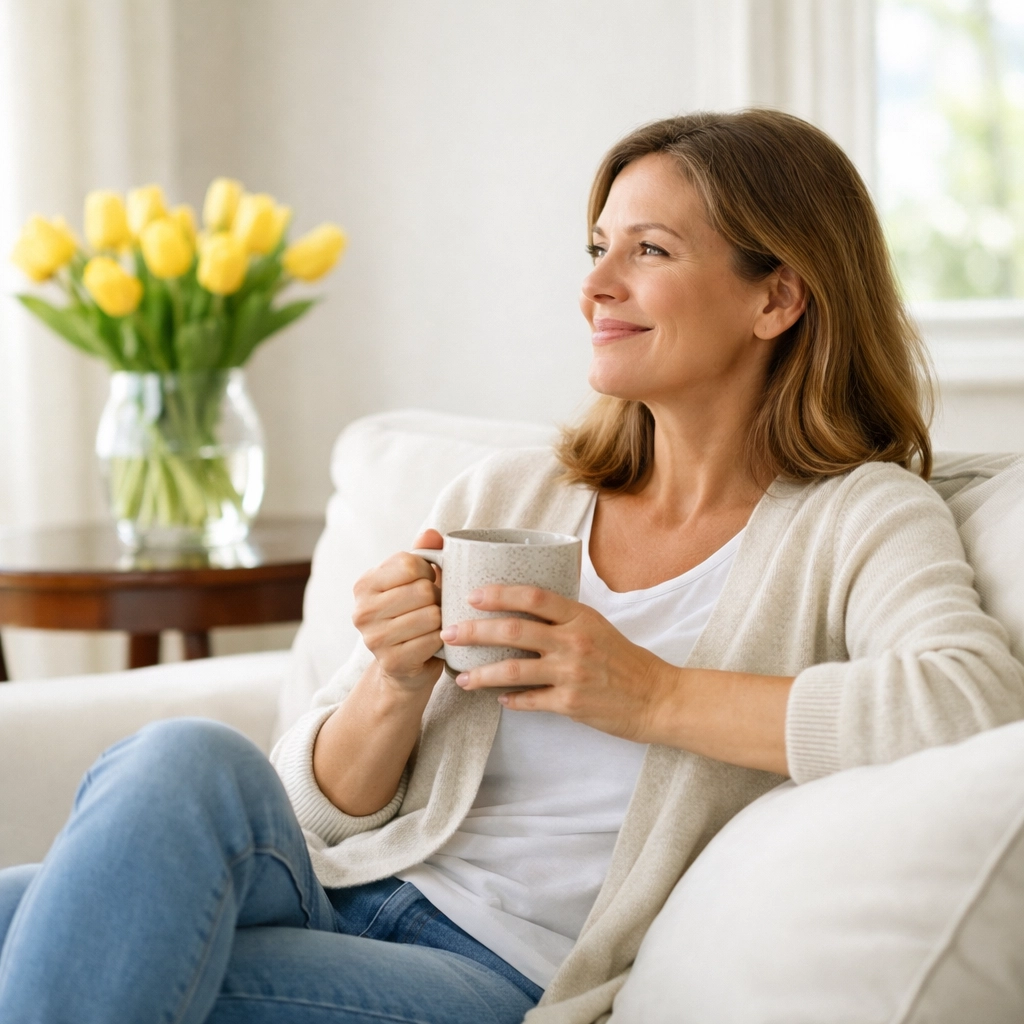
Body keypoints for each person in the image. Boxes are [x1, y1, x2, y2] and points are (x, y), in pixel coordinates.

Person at [1, 109, 1022, 1024]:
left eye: (649, 249)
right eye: (597, 247)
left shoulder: (856, 516)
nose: (595, 286)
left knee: (54, 941)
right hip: (330, 888)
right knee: (181, 757)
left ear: (777, 298)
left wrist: (649, 693)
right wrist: (394, 681)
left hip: (495, 974)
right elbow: (322, 810)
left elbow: (973, 701)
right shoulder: (511, 495)